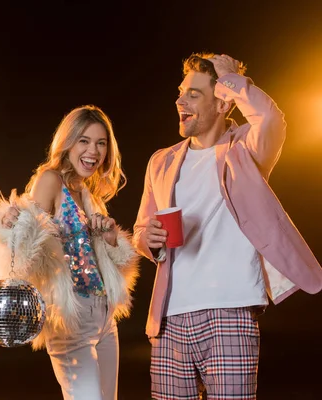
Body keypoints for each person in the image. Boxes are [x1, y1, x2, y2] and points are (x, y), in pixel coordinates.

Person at [132, 53, 322, 399]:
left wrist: (231, 78)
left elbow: (270, 118)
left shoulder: (245, 148)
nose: (180, 100)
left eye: (193, 94)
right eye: (181, 91)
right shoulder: (160, 161)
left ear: (222, 104)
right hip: (170, 320)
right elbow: (141, 229)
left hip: (230, 314)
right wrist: (150, 239)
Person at [0, 105, 139, 400]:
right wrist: (12, 227)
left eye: (101, 143)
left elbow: (108, 265)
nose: (93, 151)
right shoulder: (50, 180)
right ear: (67, 142)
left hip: (104, 318)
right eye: (84, 140)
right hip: (71, 320)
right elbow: (22, 258)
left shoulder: (87, 194)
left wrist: (109, 239)